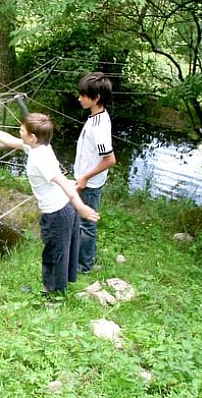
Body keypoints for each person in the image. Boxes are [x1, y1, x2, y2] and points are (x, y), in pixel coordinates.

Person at [0, 112, 99, 294]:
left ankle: (53, 294)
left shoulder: (40, 159)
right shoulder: (39, 147)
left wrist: (81, 206)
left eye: (21, 130)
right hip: (63, 209)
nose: (19, 131)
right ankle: (59, 287)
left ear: (32, 137)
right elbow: (10, 141)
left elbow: (63, 183)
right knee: (61, 250)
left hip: (58, 213)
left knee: (53, 254)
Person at [74, 72, 116, 273]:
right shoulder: (96, 117)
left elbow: (110, 159)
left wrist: (84, 177)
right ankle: (85, 257)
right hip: (85, 179)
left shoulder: (99, 126)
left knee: (87, 224)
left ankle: (84, 266)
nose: (79, 98)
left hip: (89, 183)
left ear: (96, 98)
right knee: (82, 222)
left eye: (83, 95)